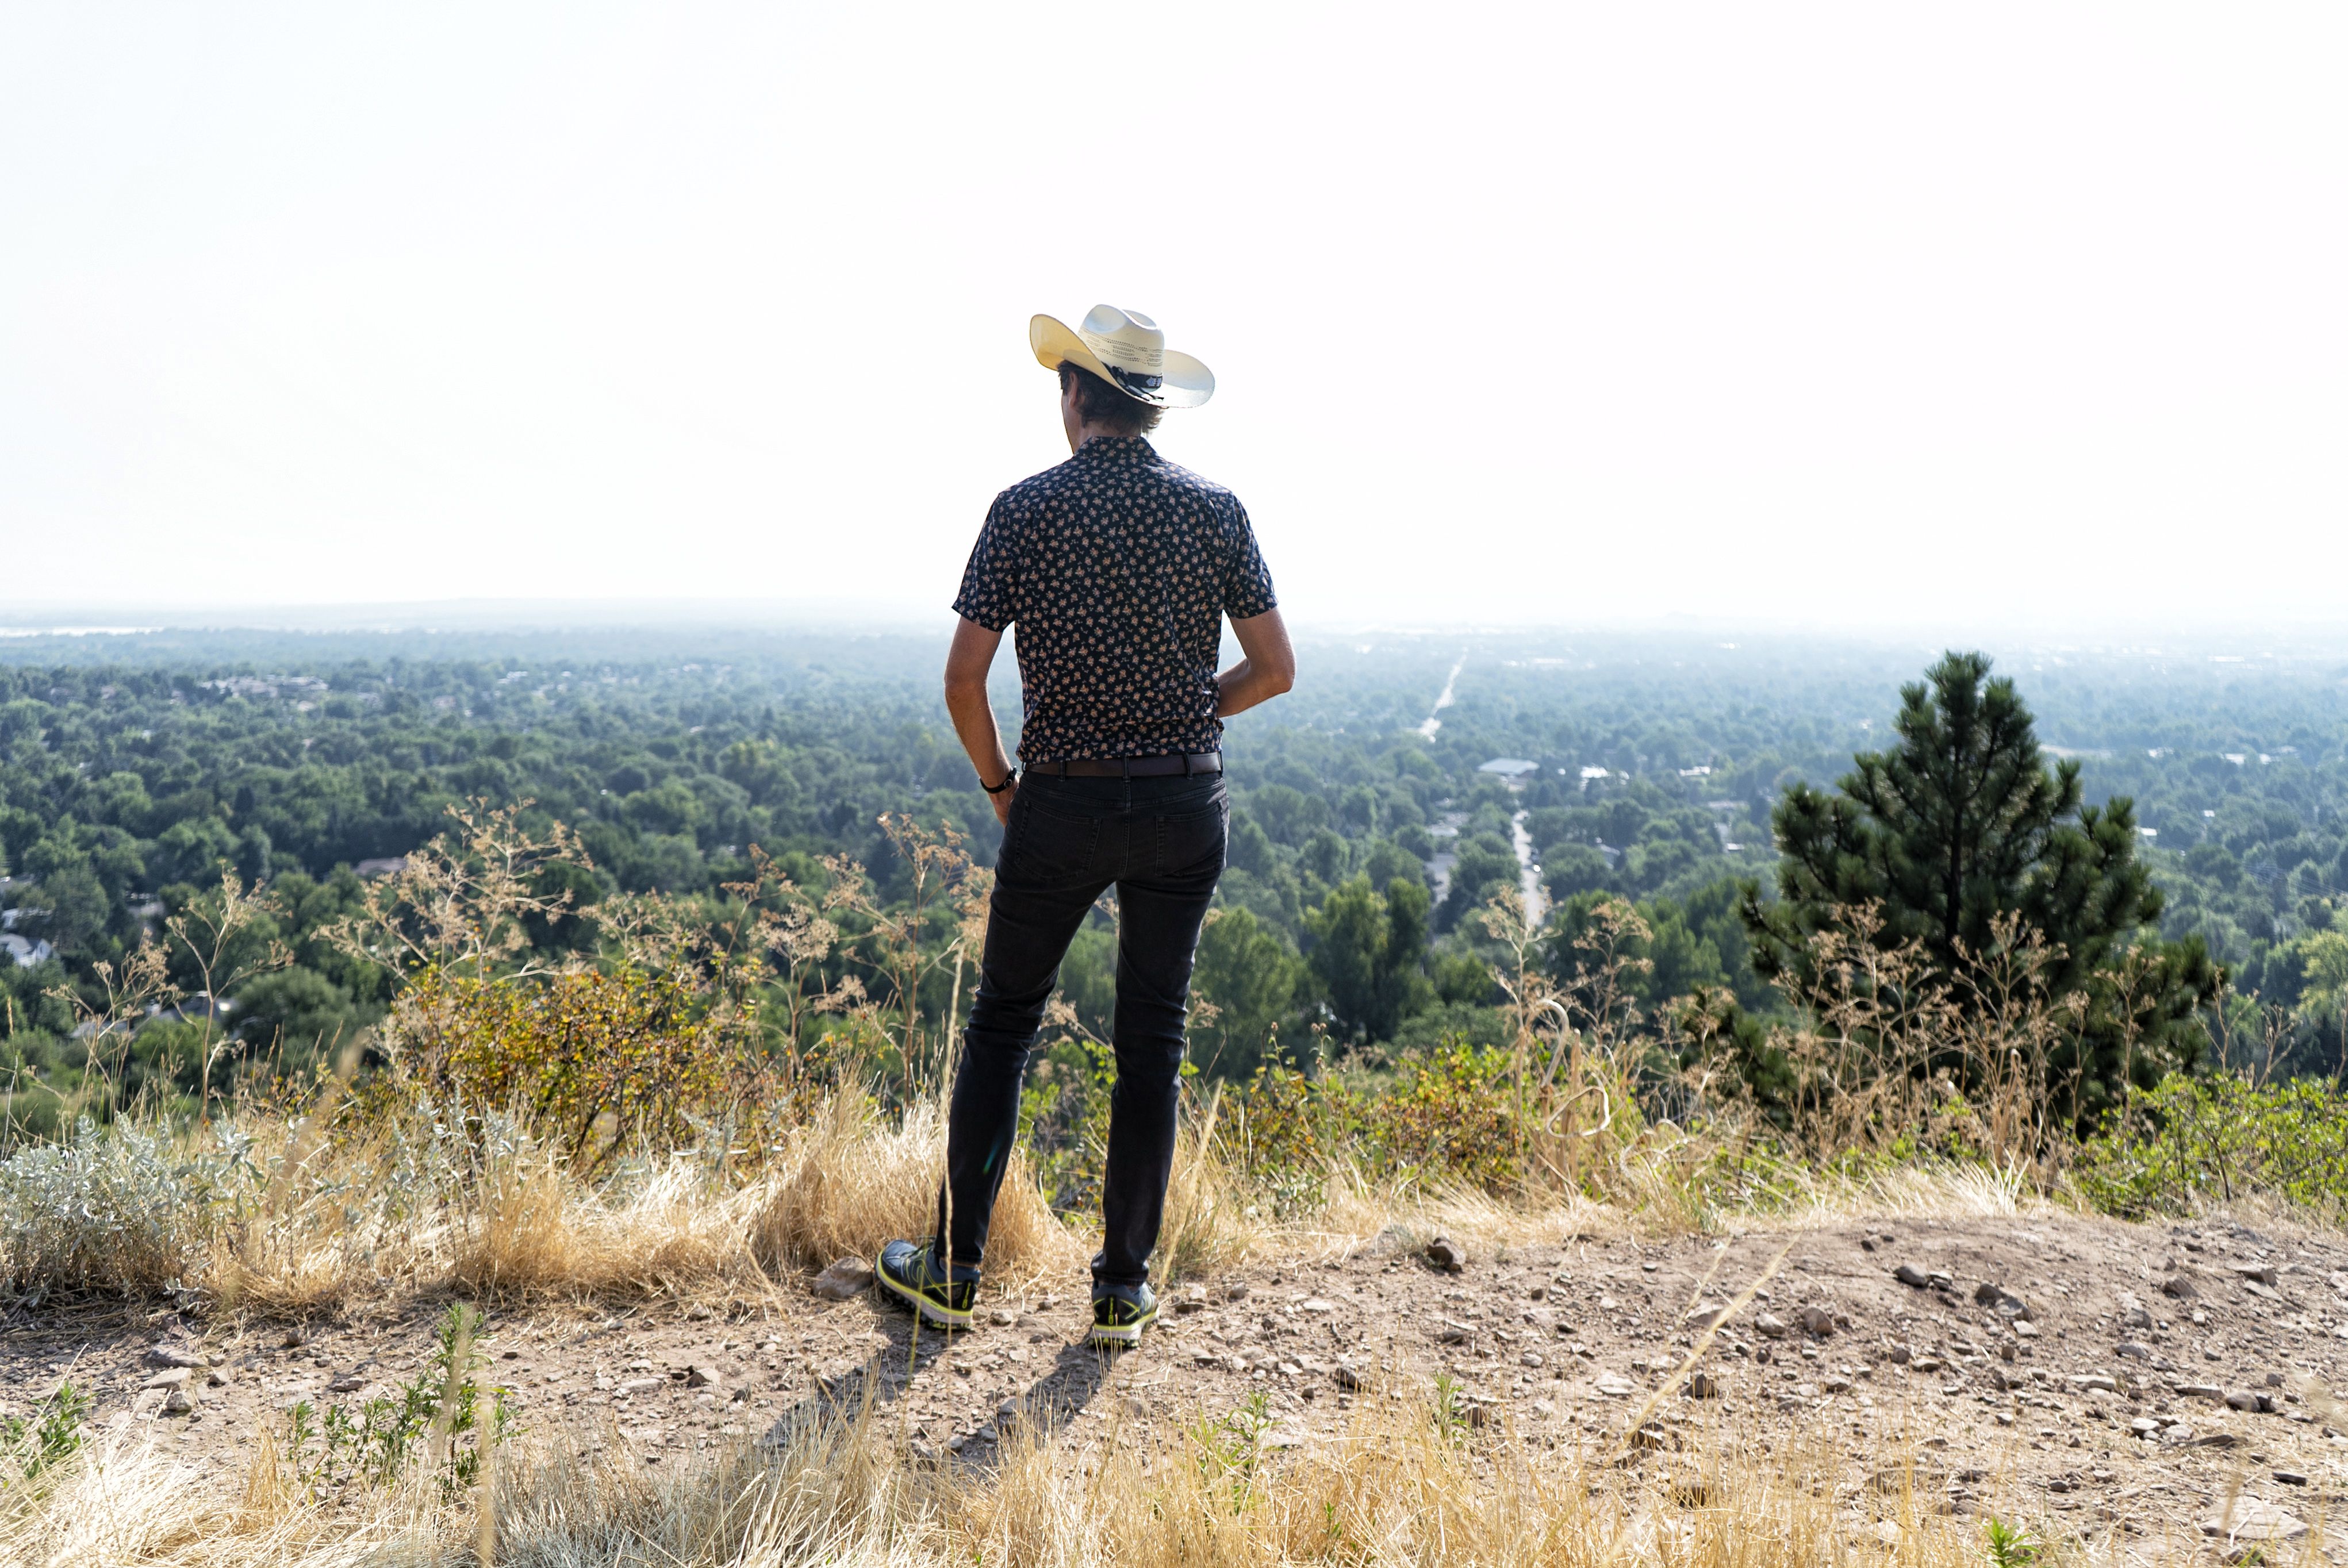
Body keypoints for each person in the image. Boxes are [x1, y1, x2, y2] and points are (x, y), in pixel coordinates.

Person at [876, 305, 1295, 1347]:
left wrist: (1001, 790)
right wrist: (1195, 711)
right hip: (1182, 802)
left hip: (1058, 798)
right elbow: (1276, 669)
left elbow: (964, 682)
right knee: (1152, 1038)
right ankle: (1121, 1290)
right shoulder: (1216, 511)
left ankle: (954, 1269)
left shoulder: (1025, 509)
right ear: (1149, 410)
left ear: (1074, 398)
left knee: (1005, 1025)